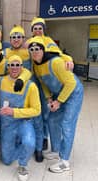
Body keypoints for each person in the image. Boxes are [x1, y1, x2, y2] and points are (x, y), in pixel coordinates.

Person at [28, 36, 84, 173]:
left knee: (67, 124)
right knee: (52, 120)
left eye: (37, 49)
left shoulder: (56, 62)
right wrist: (49, 99)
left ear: (43, 50)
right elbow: (43, 83)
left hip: (73, 93)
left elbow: (71, 83)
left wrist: (59, 101)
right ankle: (56, 150)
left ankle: (64, 161)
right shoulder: (36, 65)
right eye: (32, 49)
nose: (35, 52)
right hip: (58, 95)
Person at [0, 55, 41, 181]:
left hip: (24, 122)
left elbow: (36, 110)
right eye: (12, 64)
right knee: (6, 160)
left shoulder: (31, 86)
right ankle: (14, 143)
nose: (15, 67)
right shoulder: (0, 81)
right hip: (7, 124)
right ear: (8, 67)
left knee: (29, 142)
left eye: (18, 65)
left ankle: (23, 164)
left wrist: (14, 111)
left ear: (22, 67)